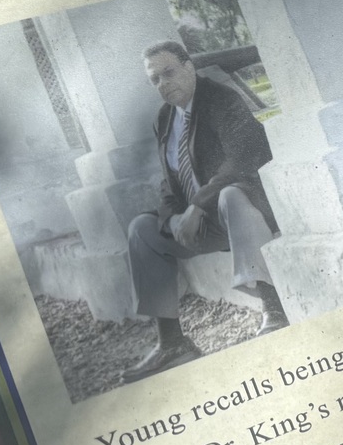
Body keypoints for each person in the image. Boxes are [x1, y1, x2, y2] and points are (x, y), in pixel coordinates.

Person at [123, 41, 286, 383]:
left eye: (169, 72)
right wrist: (172, 218)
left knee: (231, 195)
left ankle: (274, 309)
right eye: (155, 79)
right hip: (201, 226)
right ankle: (172, 342)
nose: (163, 84)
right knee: (142, 228)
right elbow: (169, 181)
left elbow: (243, 157)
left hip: (240, 211)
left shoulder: (221, 100)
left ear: (189, 67)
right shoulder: (164, 118)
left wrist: (198, 204)